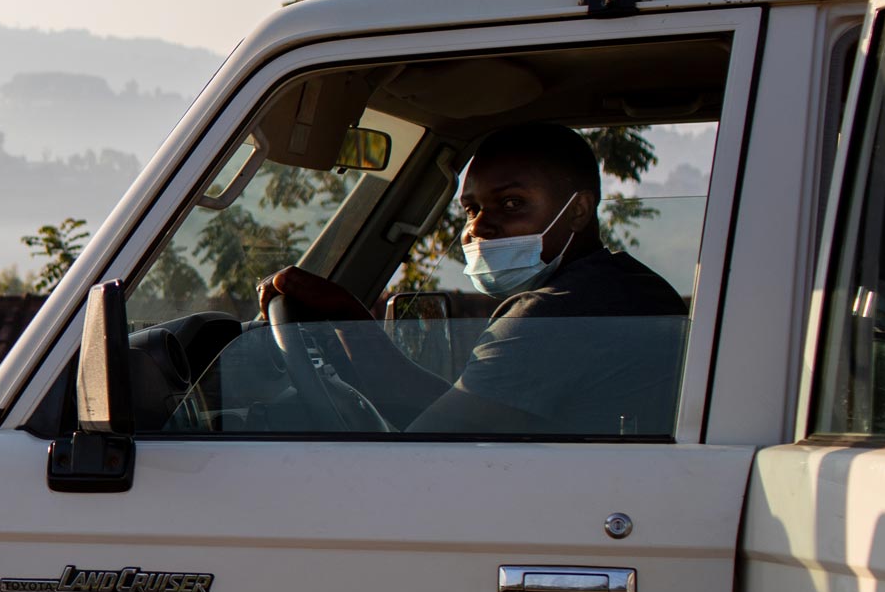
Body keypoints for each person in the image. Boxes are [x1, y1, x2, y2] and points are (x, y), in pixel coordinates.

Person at [255, 122, 687, 435]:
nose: (479, 227)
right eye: (471, 208)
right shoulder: (629, 287)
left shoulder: (555, 314)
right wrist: (350, 317)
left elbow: (432, 449)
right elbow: (466, 411)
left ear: (577, 210)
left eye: (512, 203)